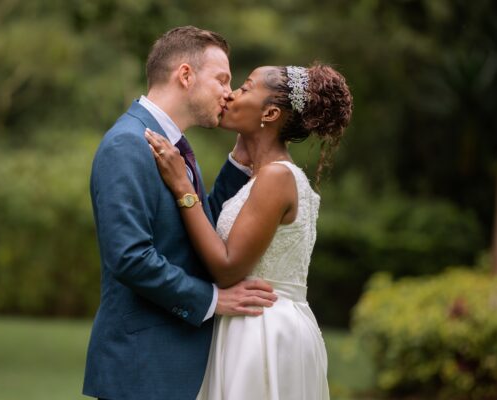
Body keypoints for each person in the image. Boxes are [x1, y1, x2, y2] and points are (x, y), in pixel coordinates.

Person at [82, 26, 279, 400]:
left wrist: (239, 162)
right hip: (142, 369)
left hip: (174, 365)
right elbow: (130, 258)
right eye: (222, 79)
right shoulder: (127, 144)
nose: (228, 92)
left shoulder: (173, 146)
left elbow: (197, 227)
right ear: (185, 75)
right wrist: (212, 300)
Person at [145, 63, 353, 400]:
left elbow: (227, 268)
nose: (231, 94)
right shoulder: (263, 176)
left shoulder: (277, 178)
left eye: (245, 87)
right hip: (248, 322)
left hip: (264, 332)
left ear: (269, 113)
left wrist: (183, 186)